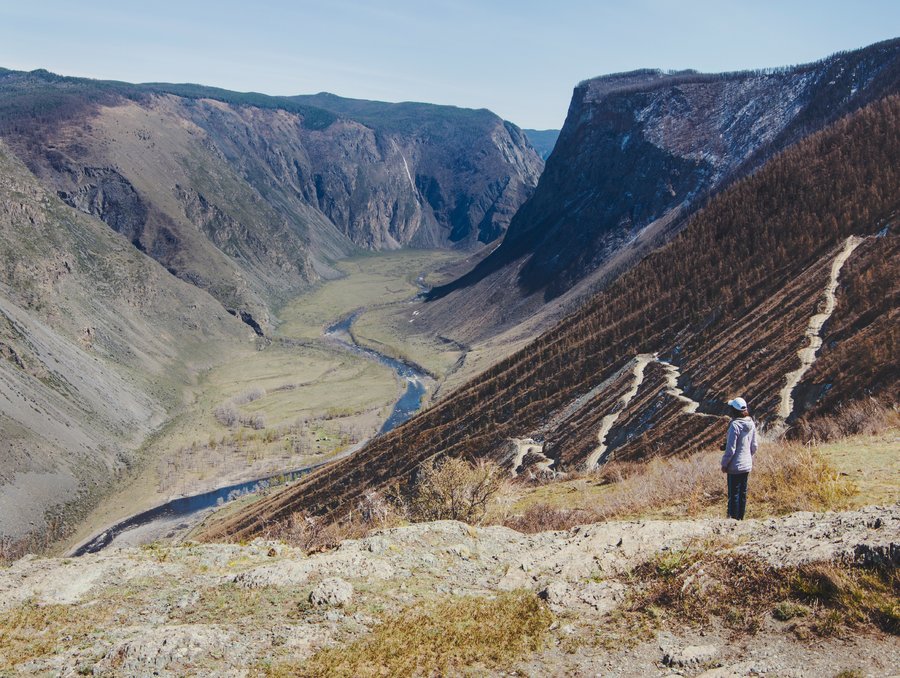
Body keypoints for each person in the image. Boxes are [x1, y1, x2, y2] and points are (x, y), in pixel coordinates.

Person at [720, 397, 758, 520]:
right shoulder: (751, 423)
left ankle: (733, 520)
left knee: (733, 494)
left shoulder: (735, 425)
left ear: (734, 410)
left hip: (734, 466)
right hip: (746, 464)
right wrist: (748, 457)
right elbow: (754, 446)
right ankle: (741, 518)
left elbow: (731, 449)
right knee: (743, 493)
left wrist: (724, 463)